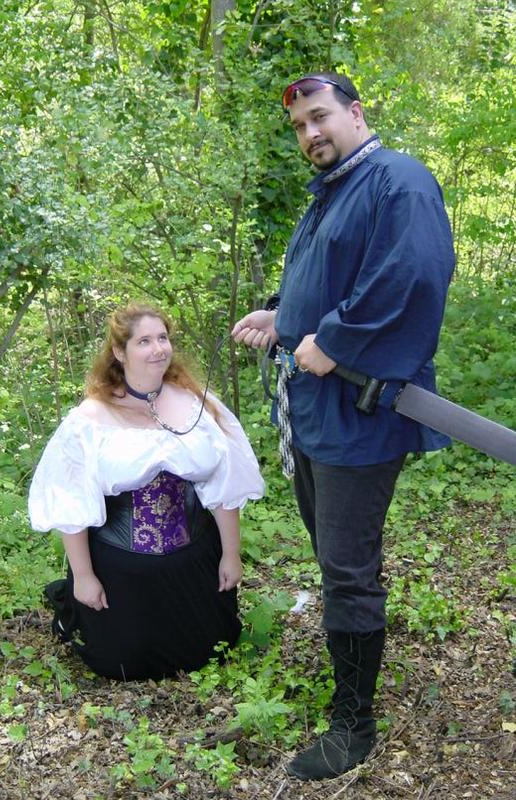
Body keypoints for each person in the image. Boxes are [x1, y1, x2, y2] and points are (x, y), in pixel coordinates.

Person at [232, 72, 455, 780]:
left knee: (347, 570)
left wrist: (335, 340)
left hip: (360, 418)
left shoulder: (397, 180)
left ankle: (353, 723)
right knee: (336, 558)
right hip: (316, 415)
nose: (310, 133)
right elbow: (331, 281)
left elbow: (413, 277)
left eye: (320, 117)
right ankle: (353, 678)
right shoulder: (331, 193)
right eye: (300, 126)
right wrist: (282, 316)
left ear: (356, 113)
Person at [29, 302, 264, 681]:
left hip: (194, 562)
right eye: (144, 341)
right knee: (121, 664)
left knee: (211, 651)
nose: (158, 349)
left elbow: (225, 487)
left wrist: (231, 554)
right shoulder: (90, 419)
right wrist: (84, 576)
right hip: (121, 570)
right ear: (119, 352)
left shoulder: (196, 404)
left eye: (162, 338)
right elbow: (72, 503)